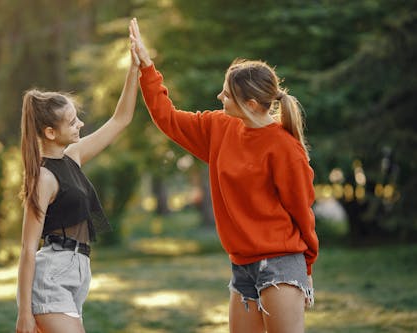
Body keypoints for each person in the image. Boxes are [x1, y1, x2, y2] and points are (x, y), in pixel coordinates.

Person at [129, 18, 319, 333]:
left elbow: (302, 210)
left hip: (282, 264)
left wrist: (307, 266)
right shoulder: (219, 127)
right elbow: (168, 119)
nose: (220, 97)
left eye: (227, 94)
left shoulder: (285, 148)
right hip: (242, 265)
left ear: (252, 104)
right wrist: (147, 67)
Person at [15, 37, 140, 333]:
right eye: (72, 123)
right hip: (52, 276)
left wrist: (134, 68)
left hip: (78, 272)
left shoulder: (73, 156)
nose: (80, 125)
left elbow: (121, 119)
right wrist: (24, 313)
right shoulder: (43, 179)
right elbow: (27, 247)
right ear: (49, 132)